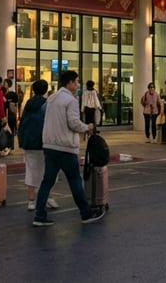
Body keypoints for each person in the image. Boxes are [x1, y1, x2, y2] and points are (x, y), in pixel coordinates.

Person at [32, 69, 104, 227]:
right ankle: (86, 213)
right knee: (75, 181)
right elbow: (73, 123)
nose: (77, 85)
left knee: (47, 181)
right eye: (76, 82)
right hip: (65, 147)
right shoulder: (70, 101)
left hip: (50, 146)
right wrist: (88, 127)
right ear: (70, 83)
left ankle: (39, 215)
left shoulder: (51, 98)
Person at [19, 79, 58, 212]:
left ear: (33, 90)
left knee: (31, 170)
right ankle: (48, 197)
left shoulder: (27, 104)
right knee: (47, 171)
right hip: (44, 142)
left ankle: (31, 200)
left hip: (29, 142)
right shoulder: (47, 105)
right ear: (46, 90)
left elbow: (22, 123)